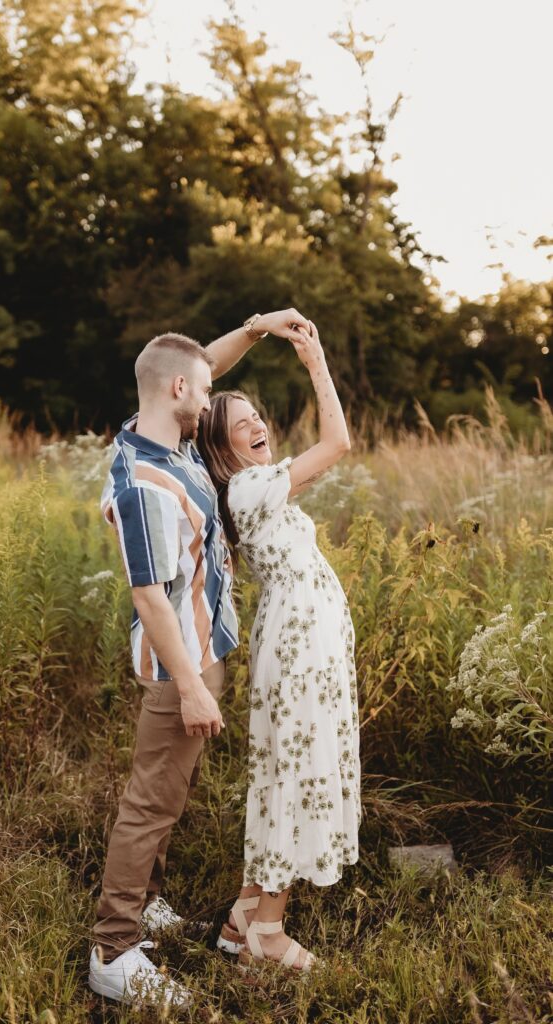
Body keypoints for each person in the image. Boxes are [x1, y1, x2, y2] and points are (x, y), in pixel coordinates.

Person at [89, 309, 311, 1007]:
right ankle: (114, 947)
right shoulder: (141, 482)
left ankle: (147, 899)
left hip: (201, 646)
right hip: (176, 661)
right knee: (150, 801)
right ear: (182, 391)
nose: (212, 398)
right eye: (204, 388)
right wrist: (190, 687)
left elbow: (193, 365)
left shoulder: (161, 432)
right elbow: (149, 598)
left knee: (169, 788)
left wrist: (254, 327)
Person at [195, 320, 361, 972]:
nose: (255, 425)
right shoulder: (249, 486)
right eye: (239, 423)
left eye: (256, 414)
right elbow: (339, 441)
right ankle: (267, 932)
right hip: (296, 642)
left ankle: (243, 914)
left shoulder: (256, 484)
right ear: (220, 444)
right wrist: (314, 359)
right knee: (294, 773)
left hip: (300, 635)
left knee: (282, 771)